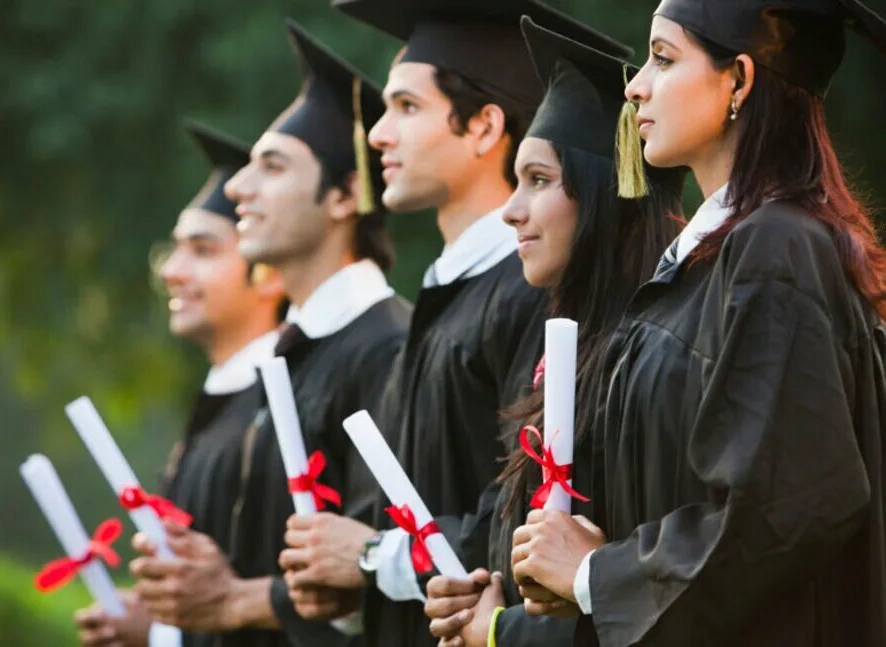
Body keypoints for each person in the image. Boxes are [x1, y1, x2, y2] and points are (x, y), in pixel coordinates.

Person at [509, 1, 886, 645]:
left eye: (663, 58)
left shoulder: (778, 247)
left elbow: (786, 505)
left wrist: (600, 574)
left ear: (738, 79)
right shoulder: (710, 259)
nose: (635, 85)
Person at [278, 2, 634, 646]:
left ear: (483, 127)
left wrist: (372, 558)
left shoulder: (532, 296)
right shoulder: (446, 297)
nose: (378, 135)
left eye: (406, 108)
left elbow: (524, 514)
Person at [422, 17, 683, 646]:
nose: (511, 209)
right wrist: (484, 587)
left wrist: (499, 632)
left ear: (603, 194)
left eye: (538, 180)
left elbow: (652, 597)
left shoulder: (652, 357)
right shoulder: (558, 350)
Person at [221, 19, 409, 646]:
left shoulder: (385, 346)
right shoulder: (293, 351)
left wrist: (235, 603)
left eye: (271, 167)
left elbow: (361, 572)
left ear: (344, 195)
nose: (236, 188)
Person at [73, 122, 286, 647]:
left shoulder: (283, 411)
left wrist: (167, 630)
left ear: (270, 272)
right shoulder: (221, 405)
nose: (172, 270)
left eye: (203, 249)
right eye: (175, 248)